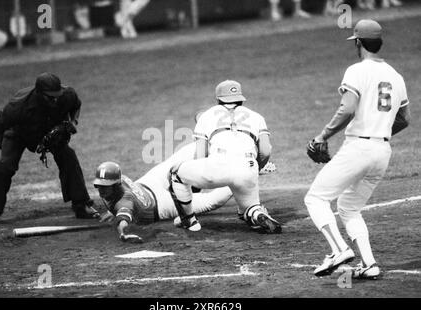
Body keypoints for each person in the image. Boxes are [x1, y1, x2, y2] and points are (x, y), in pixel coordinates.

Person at [304, 20, 410, 279]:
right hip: (382, 152)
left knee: (315, 198)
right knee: (349, 206)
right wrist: (380, 131)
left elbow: (347, 108)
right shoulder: (396, 76)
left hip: (359, 148)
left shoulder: (356, 70)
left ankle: (339, 249)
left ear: (359, 43)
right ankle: (370, 264)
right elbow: (404, 119)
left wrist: (323, 135)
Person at [0, 72, 100, 226]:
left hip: (48, 129)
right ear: (39, 94)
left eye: (57, 96)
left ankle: (81, 204)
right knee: (4, 166)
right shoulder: (18, 106)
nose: (55, 100)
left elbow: (76, 106)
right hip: (18, 133)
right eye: (50, 97)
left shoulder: (66, 95)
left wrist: (72, 121)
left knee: (68, 156)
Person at [167, 80, 282, 234]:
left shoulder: (206, 115)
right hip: (248, 167)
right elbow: (266, 152)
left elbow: (201, 155)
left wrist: (197, 183)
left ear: (218, 99)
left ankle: (189, 221)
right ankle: (257, 214)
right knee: (250, 207)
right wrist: (258, 168)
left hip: (217, 166)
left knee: (175, 173)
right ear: (241, 98)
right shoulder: (257, 117)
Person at [93, 142, 234, 243]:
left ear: (117, 184)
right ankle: (238, 178)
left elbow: (122, 220)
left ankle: (217, 142)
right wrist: (114, 214)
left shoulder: (125, 201)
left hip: (156, 194)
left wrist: (122, 232)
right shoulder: (119, 185)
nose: (102, 190)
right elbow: (122, 213)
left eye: (106, 186)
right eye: (100, 186)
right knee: (209, 200)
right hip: (157, 193)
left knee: (179, 160)